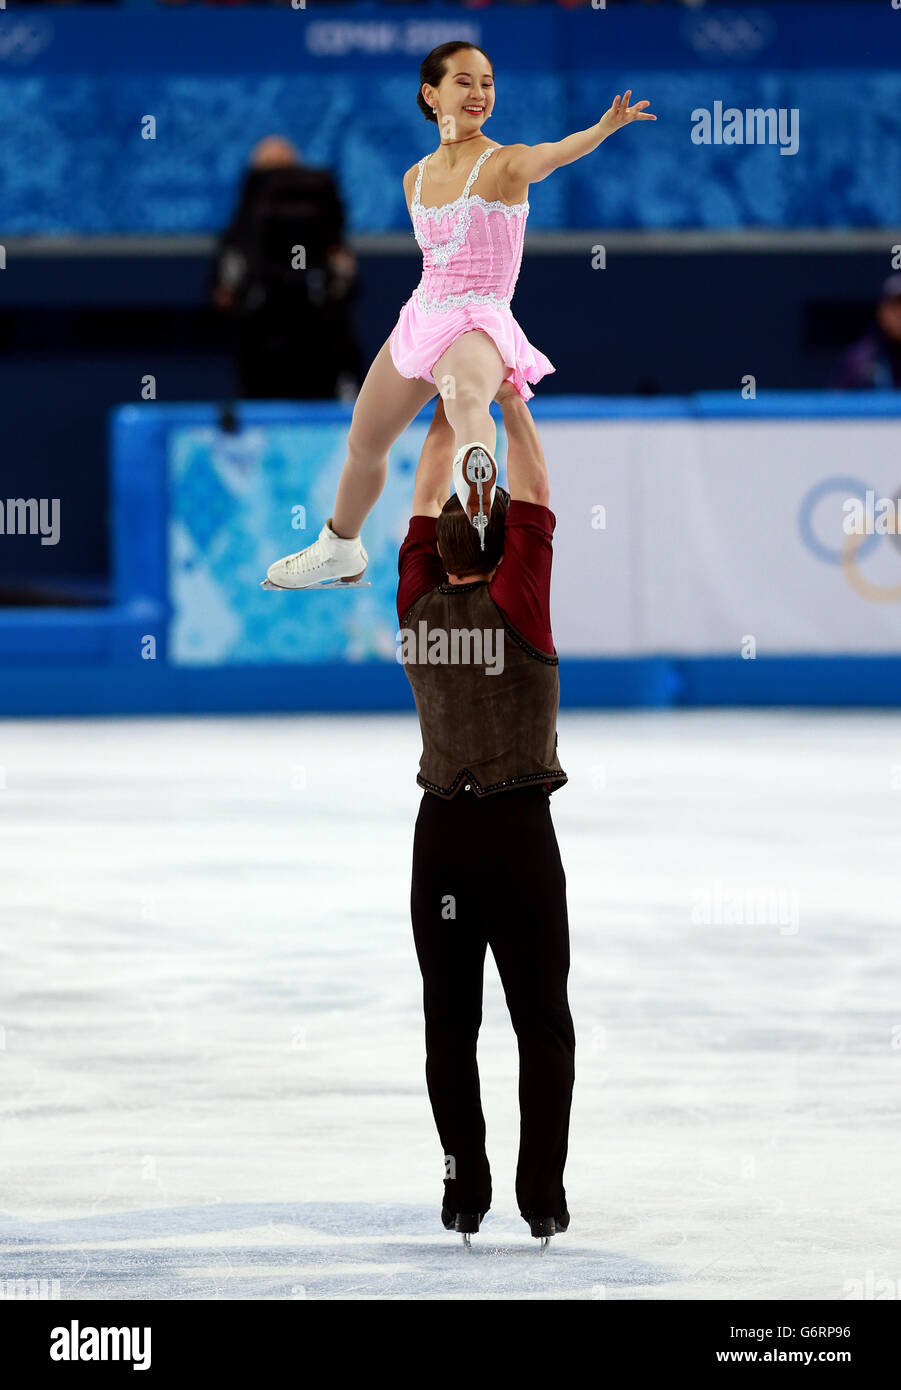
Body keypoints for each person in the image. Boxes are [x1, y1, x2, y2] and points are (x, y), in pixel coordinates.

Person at [263, 40, 655, 588]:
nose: (478, 93)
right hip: (424, 315)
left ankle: (475, 491)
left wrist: (601, 130)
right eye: (465, 81)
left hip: (479, 319)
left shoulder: (504, 164)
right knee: (364, 440)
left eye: (487, 82)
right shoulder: (414, 178)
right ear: (432, 93)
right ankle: (341, 546)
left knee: (466, 398)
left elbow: (552, 153)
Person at [396, 378, 575, 1244]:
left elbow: (424, 503)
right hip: (516, 837)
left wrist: (442, 410)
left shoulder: (418, 606)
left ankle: (463, 1192)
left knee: (448, 1025)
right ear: (507, 550)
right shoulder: (520, 600)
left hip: (442, 840)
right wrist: (513, 404)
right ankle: (540, 1199)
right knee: (540, 1020)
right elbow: (536, 497)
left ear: (439, 553)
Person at [211, 135, 362, 401]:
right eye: (269, 177)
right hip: (262, 359)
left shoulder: (327, 241)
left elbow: (347, 288)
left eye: (287, 175)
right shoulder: (238, 243)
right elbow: (223, 297)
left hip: (323, 358)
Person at [831, 273, 901, 391]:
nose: (900, 314)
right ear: (882, 311)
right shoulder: (860, 361)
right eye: (895, 306)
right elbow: (835, 405)